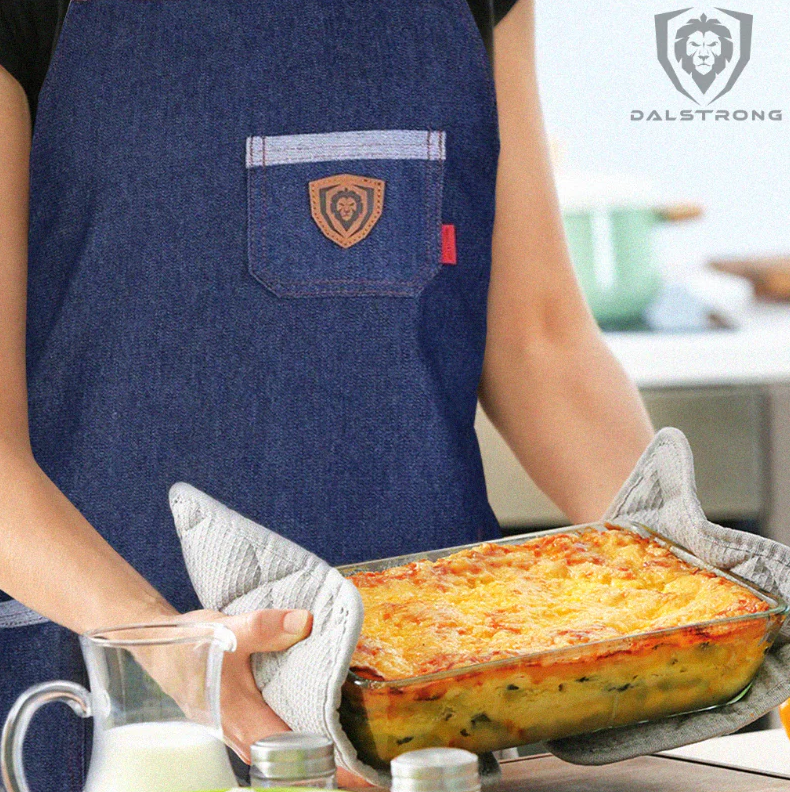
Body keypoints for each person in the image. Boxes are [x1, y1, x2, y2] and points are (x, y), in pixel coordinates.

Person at [0, 1, 654, 790]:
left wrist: (677, 570)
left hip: (432, 710)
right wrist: (167, 651)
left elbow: (538, 340)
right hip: (129, 715)